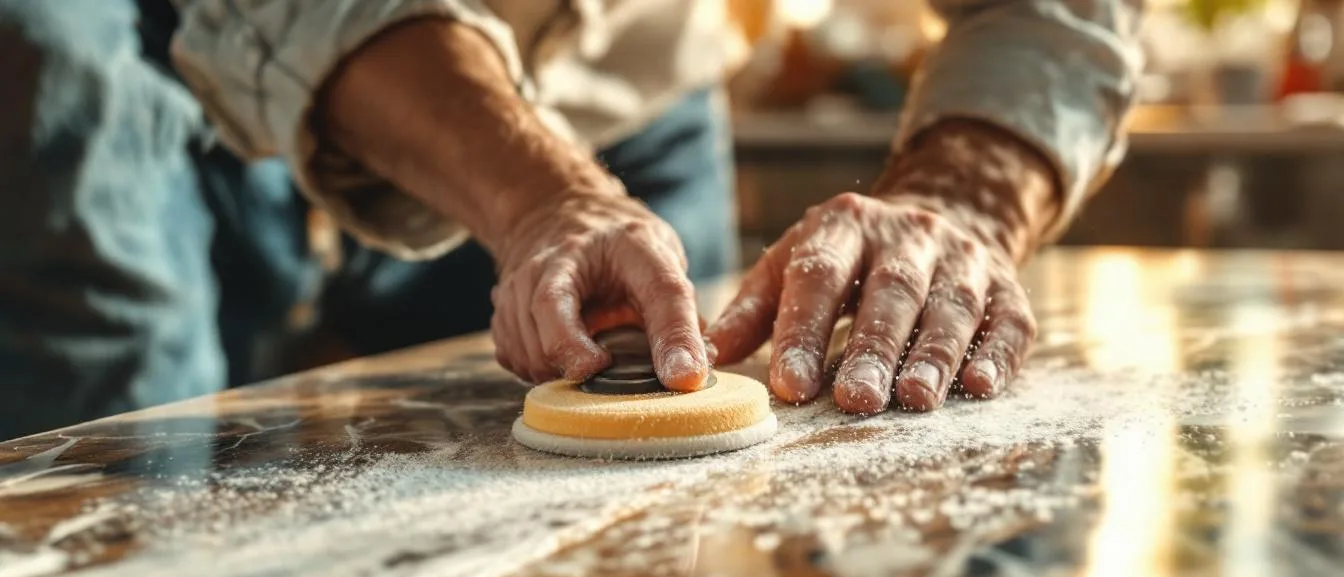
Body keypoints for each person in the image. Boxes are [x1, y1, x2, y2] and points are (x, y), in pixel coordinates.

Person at [0, 0, 1141, 441]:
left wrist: (961, 202)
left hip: (629, 91)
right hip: (172, 67)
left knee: (627, 561)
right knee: (126, 457)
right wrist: (540, 195)